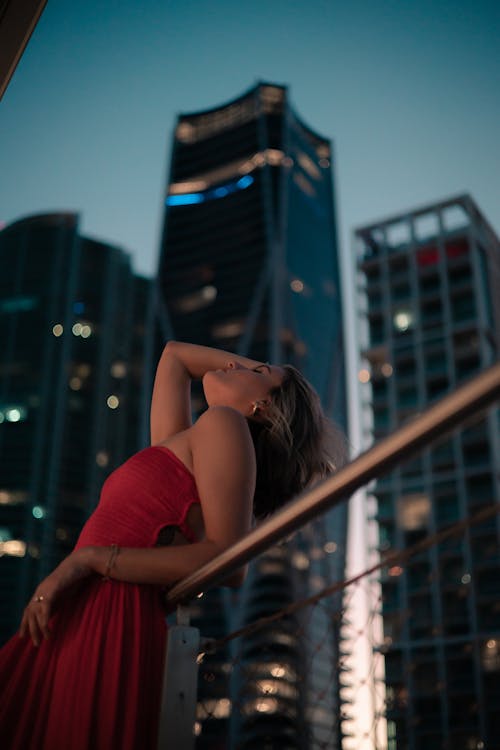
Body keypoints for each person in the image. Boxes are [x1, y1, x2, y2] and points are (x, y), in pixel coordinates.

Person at [0, 341, 345, 750]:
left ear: (263, 408)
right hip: (79, 608)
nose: (235, 363)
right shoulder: (190, 439)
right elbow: (175, 356)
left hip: (112, 610)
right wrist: (255, 374)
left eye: (258, 372)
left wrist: (88, 560)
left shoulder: (224, 424)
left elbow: (229, 560)